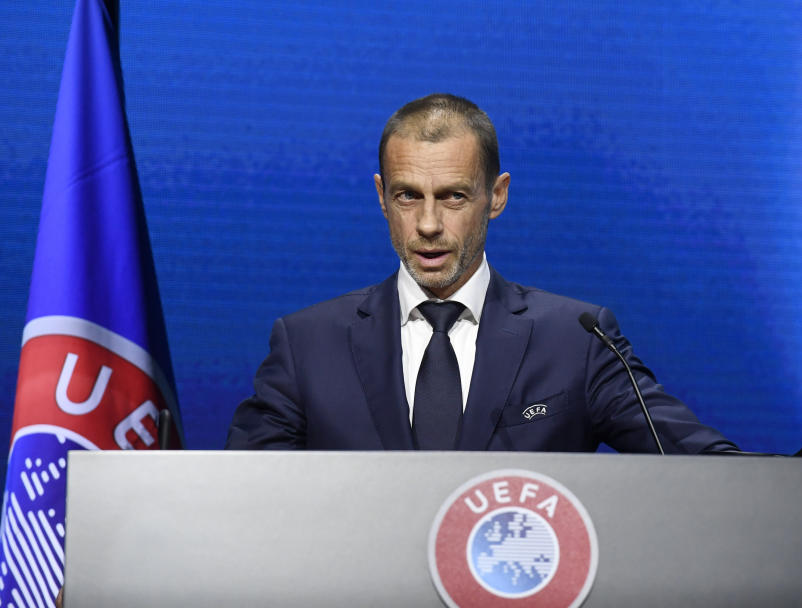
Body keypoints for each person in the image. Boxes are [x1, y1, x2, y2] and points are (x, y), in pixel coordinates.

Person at [226, 93, 736, 453]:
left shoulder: (577, 341)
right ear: (381, 196)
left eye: (453, 196)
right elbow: (239, 497)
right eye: (408, 196)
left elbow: (697, 463)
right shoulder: (307, 345)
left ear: (497, 197)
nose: (427, 224)